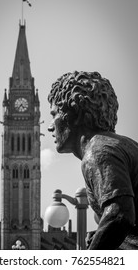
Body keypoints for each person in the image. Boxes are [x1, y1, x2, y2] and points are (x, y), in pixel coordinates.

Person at [48, 71, 138, 249]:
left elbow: (120, 215)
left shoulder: (97, 152)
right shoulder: (121, 144)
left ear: (74, 114)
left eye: (54, 114)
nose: (50, 127)